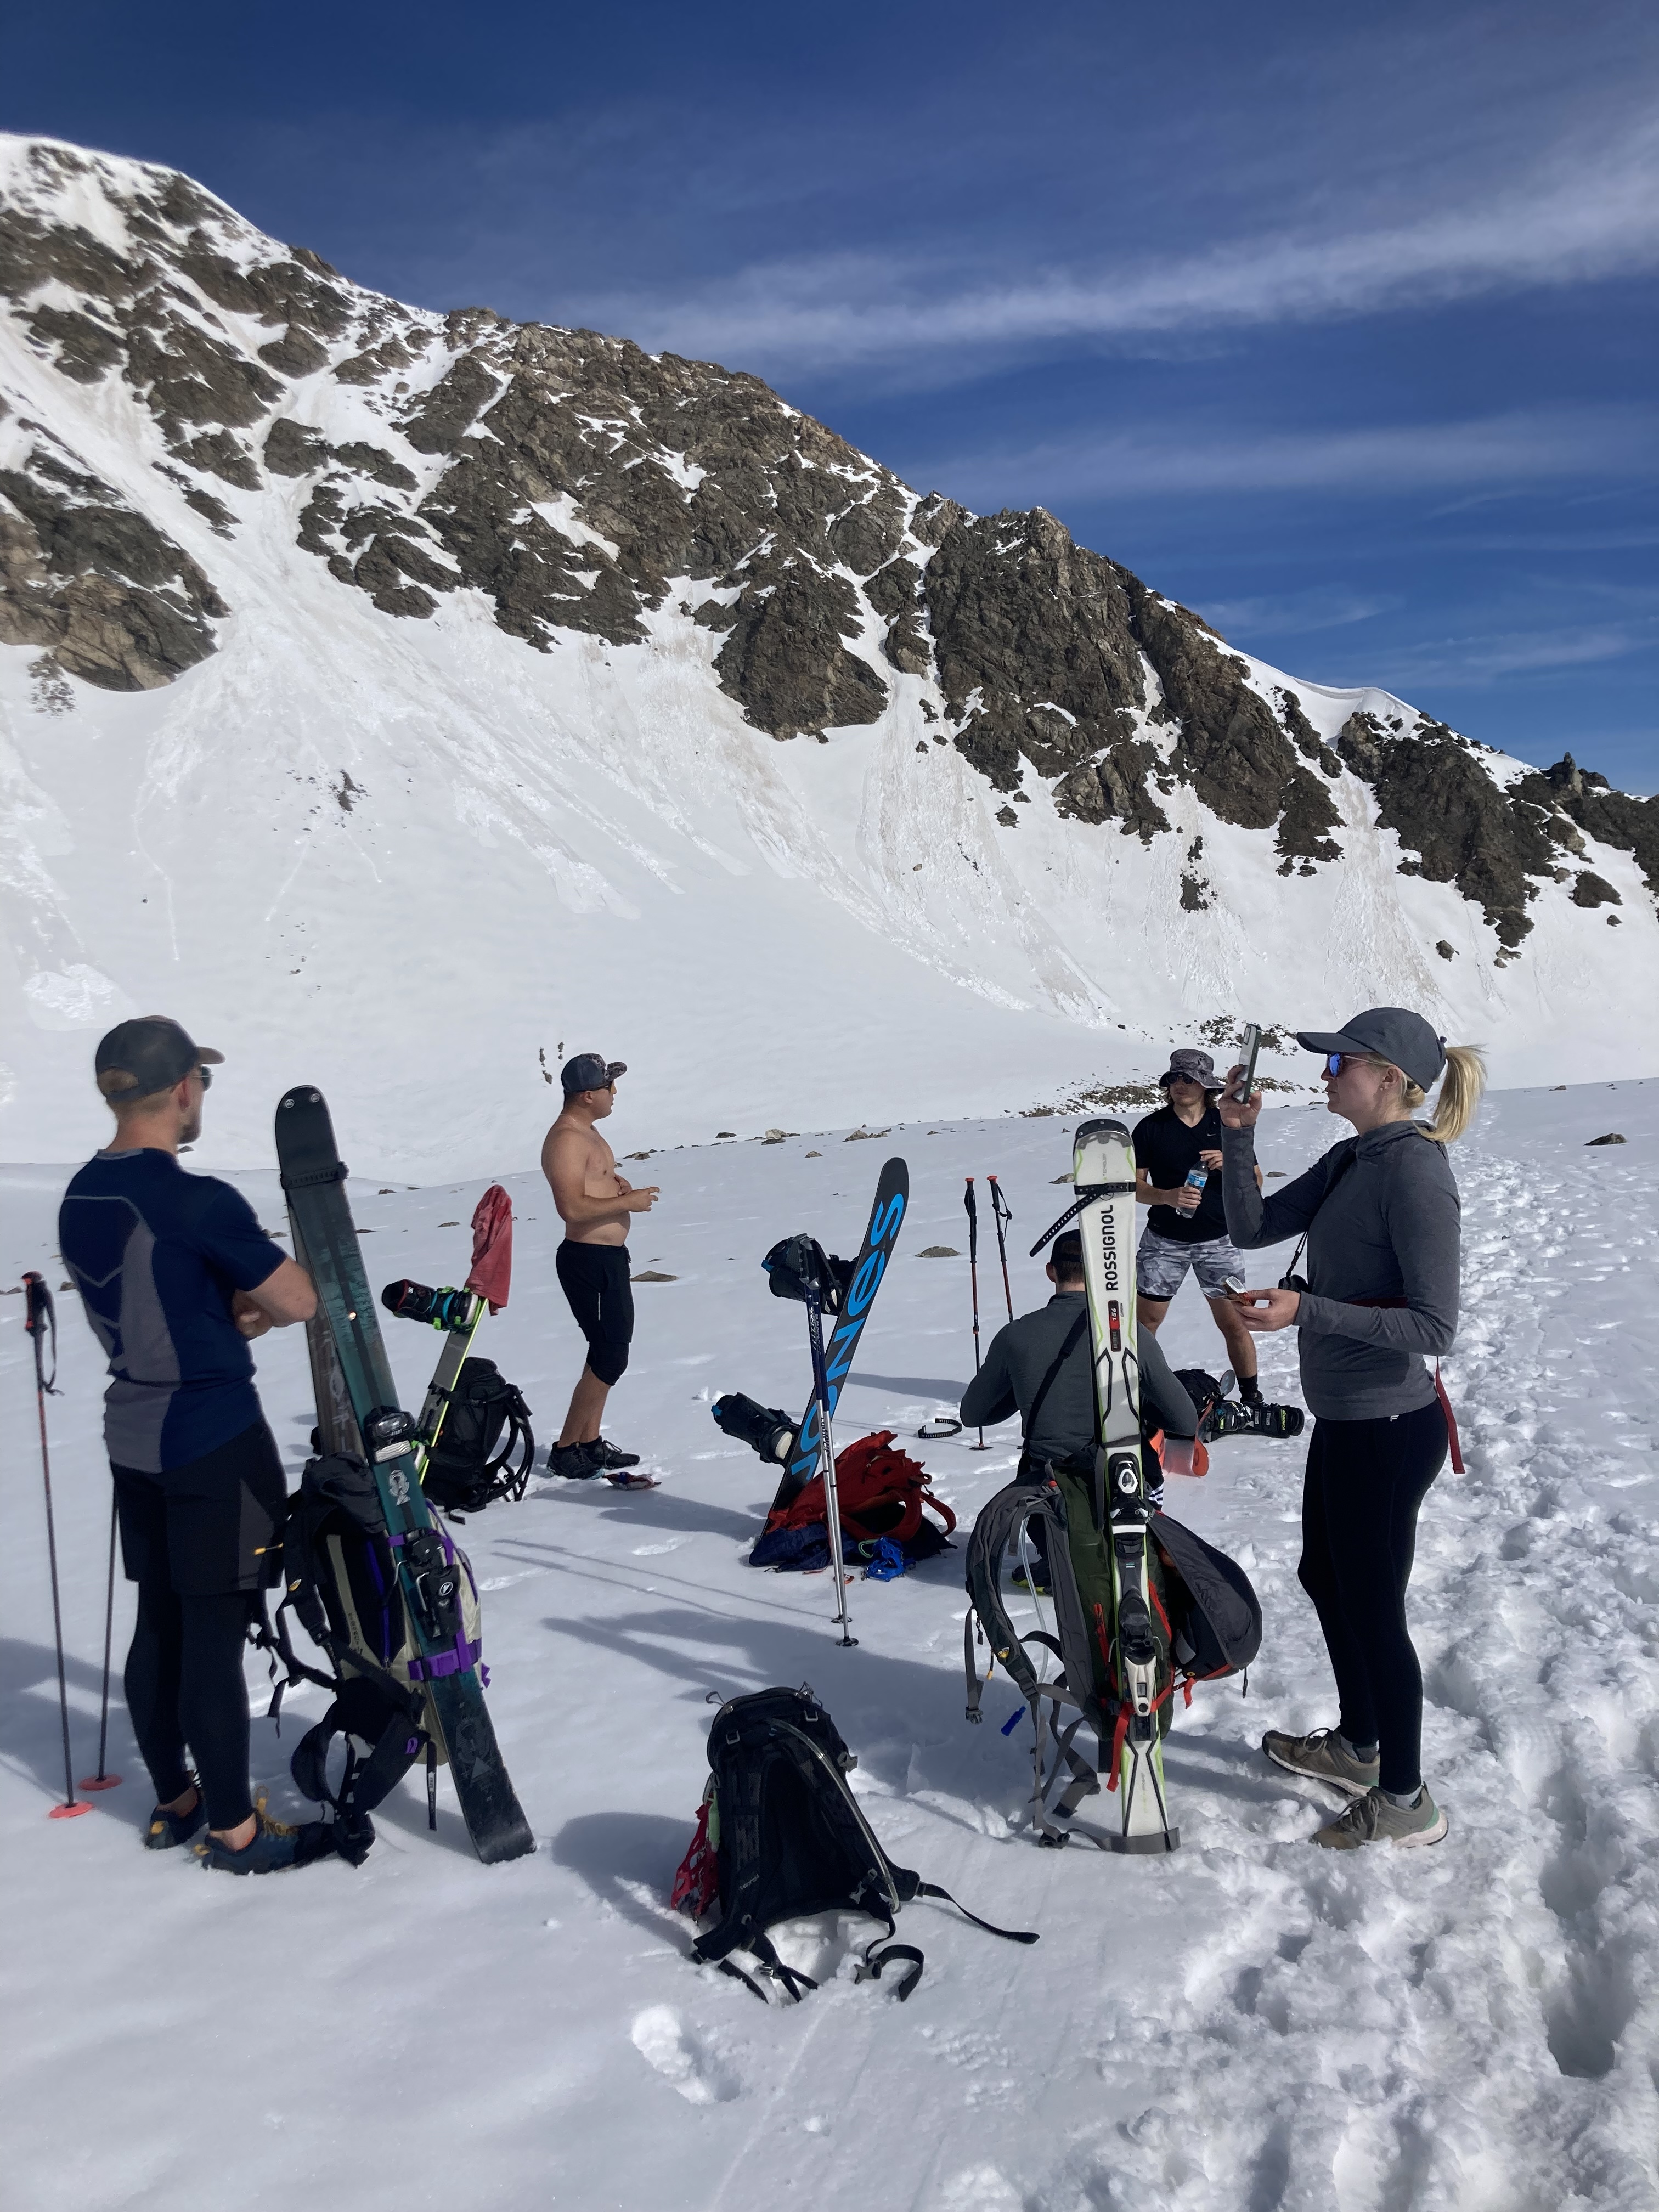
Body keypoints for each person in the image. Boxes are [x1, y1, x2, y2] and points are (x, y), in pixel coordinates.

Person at [59, 1018, 330, 1874]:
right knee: (214, 1629)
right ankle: (235, 1830)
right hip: (211, 1437)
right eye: (200, 1082)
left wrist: (224, 1315)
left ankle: (175, 1798)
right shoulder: (196, 1200)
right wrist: (252, 1309)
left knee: (162, 1617)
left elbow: (164, 1303)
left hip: (133, 1431)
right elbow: (297, 1300)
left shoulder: (80, 1194)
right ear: (180, 1088)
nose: (202, 1094)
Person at [1218, 1006, 1486, 1852]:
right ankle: (1361, 1747)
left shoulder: (1414, 1174)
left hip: (1390, 1423)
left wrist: (1309, 1312)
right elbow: (1251, 1227)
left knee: (1373, 1607)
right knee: (1325, 1576)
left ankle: (1407, 1799)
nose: (1327, 1075)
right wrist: (1236, 1138)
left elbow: (1434, 1328)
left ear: (1388, 1080)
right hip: (1346, 1418)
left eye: (1342, 1064)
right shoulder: (1350, 1159)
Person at [960, 1228, 1204, 1583]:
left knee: (1048, 1494)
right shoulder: (1131, 1334)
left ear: (1051, 1271)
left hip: (1048, 1500)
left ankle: (1058, 1562)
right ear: (1103, 1274)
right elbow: (1184, 1419)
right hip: (1124, 1490)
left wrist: (1024, 1389)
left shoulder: (1016, 1336)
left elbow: (973, 1415)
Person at [540, 1053, 659, 1486]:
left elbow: (592, 1186)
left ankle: (588, 1442)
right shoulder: (566, 1140)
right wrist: (626, 1202)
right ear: (588, 1096)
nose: (615, 1094)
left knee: (610, 1352)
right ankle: (565, 1450)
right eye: (609, 1087)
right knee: (608, 1354)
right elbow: (570, 1207)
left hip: (607, 1258)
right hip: (587, 1261)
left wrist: (616, 1185)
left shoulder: (588, 1133)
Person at [1133, 1048, 1265, 1407]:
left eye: (1188, 1078)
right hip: (1164, 1243)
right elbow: (1133, 1186)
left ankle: (1252, 1398)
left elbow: (1256, 1182)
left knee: (1235, 1322)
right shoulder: (1150, 1128)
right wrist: (1167, 1197)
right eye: (1175, 1078)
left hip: (1219, 1242)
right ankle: (1135, 1398)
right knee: (1145, 1325)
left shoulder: (1226, 1125)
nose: (1180, 1085)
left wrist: (1230, 1162)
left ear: (1205, 1085)